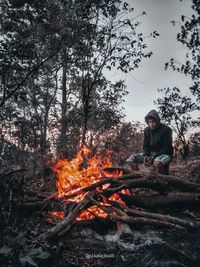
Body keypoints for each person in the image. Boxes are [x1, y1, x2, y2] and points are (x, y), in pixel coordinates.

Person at [126, 110, 173, 174]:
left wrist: (153, 157)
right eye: (149, 122)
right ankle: (137, 176)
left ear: (157, 121)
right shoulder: (146, 130)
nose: (151, 124)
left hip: (164, 154)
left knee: (156, 163)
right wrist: (146, 155)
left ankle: (160, 179)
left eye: (153, 122)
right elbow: (145, 145)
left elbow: (166, 148)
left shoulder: (166, 129)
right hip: (151, 154)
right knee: (131, 159)